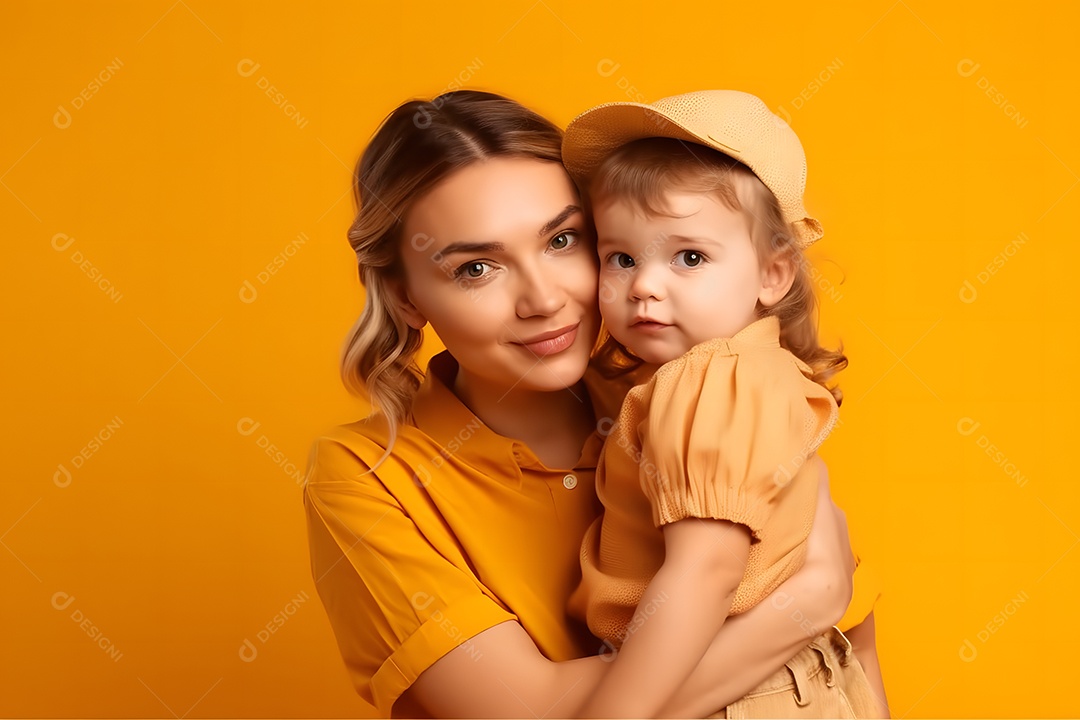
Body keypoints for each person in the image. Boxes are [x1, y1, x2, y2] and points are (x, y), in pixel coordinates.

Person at [301, 89, 878, 718]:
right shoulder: (366, 478)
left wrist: (823, 603)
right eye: (476, 269)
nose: (544, 299)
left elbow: (851, 656)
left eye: (562, 240)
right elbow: (527, 713)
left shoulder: (686, 389)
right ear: (406, 298)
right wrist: (806, 605)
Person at [560, 89, 889, 718]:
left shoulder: (712, 378)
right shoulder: (756, 370)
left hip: (738, 691)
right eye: (620, 258)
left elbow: (707, 570)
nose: (645, 285)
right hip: (787, 677)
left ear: (773, 275)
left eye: (689, 257)